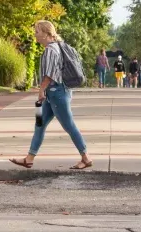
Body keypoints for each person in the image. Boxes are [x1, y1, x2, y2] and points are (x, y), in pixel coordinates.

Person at [10, 20, 92, 170]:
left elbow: (49, 75)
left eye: (37, 32)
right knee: (39, 124)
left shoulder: (50, 50)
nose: (35, 35)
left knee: (69, 125)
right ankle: (29, 158)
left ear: (47, 33)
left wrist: (41, 90)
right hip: (56, 93)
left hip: (56, 93)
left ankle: (85, 157)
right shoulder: (62, 46)